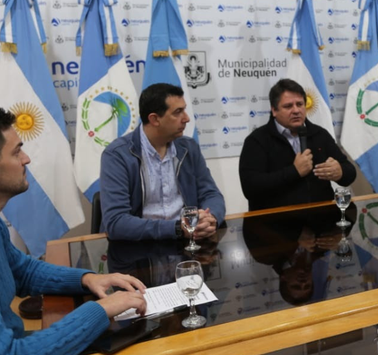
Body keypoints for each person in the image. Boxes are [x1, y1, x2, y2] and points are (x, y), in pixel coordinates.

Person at [0, 105, 147, 355]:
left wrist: (88, 279)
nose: (26, 159)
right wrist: (100, 310)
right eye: (17, 151)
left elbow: (22, 271)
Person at [100, 83, 225, 241]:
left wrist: (210, 217)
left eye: (184, 110)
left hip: (186, 244)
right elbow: (116, 222)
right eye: (178, 112)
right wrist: (178, 228)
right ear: (154, 119)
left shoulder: (188, 147)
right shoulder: (117, 155)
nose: (186, 119)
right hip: (138, 248)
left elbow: (211, 194)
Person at [239, 78, 356, 211]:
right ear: (274, 110)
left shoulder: (319, 134)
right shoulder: (257, 141)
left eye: (300, 104)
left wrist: (340, 172)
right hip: (276, 225)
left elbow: (350, 173)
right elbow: (250, 189)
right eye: (288, 106)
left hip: (322, 223)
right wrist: (294, 171)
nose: (296, 110)